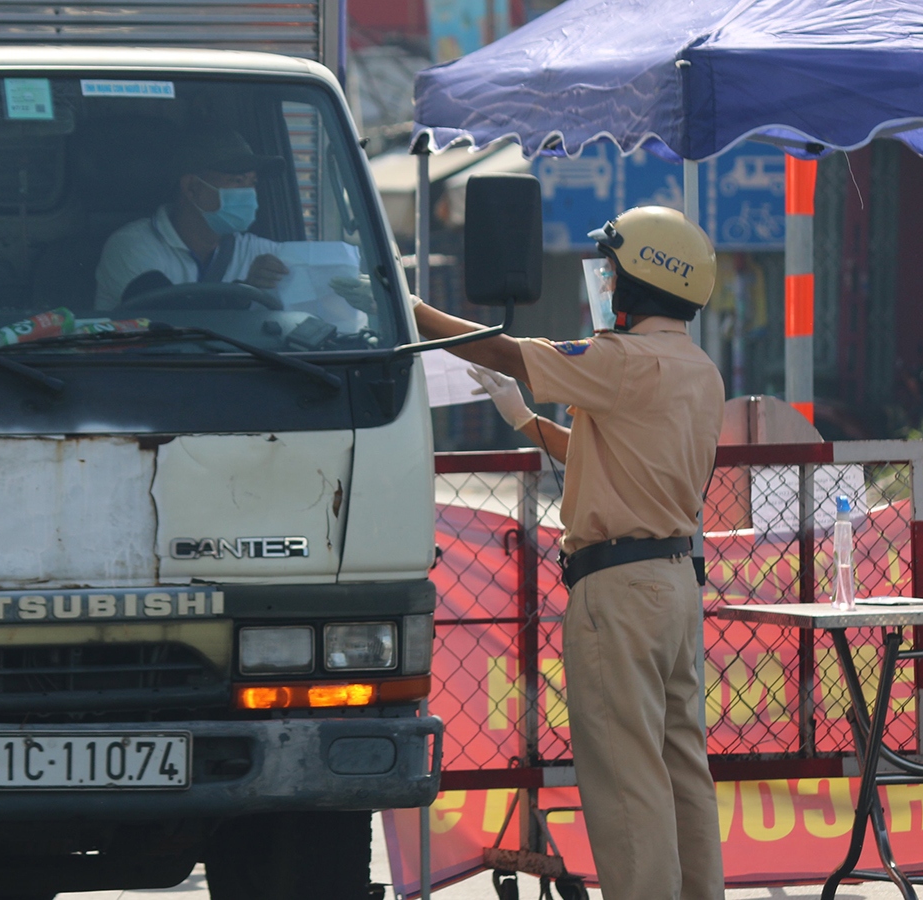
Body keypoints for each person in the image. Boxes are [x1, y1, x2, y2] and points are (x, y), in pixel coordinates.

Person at [414, 206, 725, 900]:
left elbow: (508, 353)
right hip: (674, 583)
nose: (606, 284)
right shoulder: (697, 370)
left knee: (625, 774)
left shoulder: (621, 359)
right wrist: (527, 424)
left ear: (642, 279)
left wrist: (415, 312)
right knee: (680, 771)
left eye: (613, 271)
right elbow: (615, 458)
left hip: (617, 591)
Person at [93, 124, 371, 318]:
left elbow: (322, 281)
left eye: (251, 182)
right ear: (192, 188)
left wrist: (361, 291)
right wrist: (243, 290)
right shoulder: (133, 246)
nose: (248, 193)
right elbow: (169, 316)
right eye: (236, 181)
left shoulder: (256, 252)